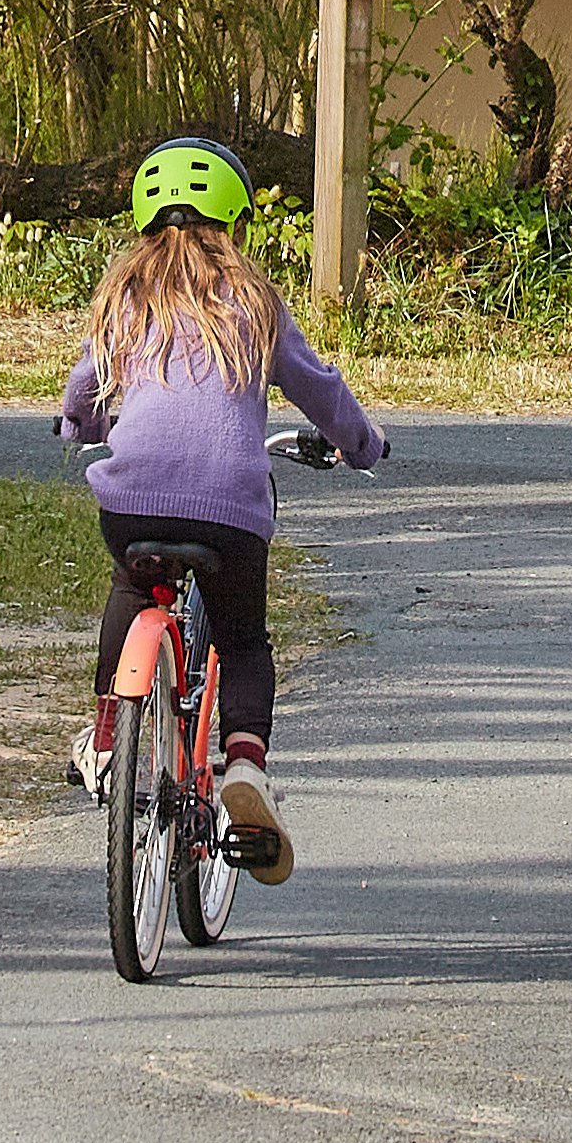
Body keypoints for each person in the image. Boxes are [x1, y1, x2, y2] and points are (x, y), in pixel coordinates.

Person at [60, 138, 383, 881]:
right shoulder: (256, 300)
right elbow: (320, 389)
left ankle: (110, 734)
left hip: (132, 500)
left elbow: (86, 386)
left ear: (141, 213)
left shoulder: (123, 296)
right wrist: (362, 444)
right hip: (232, 508)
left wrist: (78, 424)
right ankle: (243, 761)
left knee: (133, 587)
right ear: (235, 216)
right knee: (242, 641)